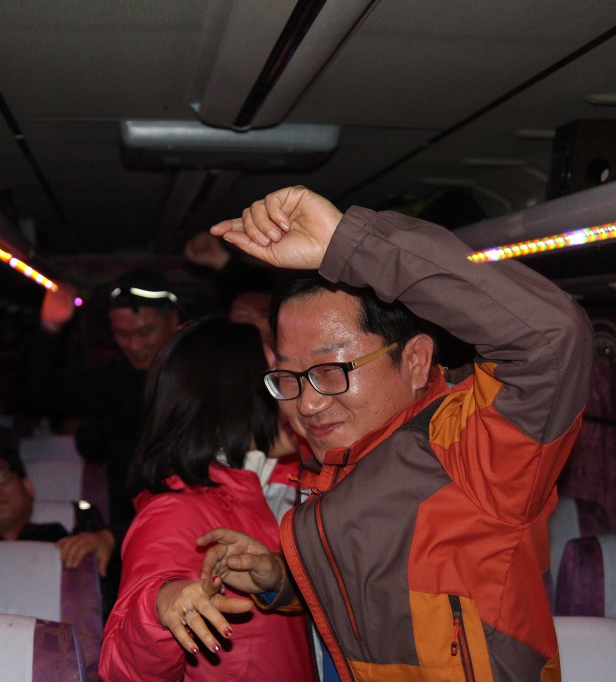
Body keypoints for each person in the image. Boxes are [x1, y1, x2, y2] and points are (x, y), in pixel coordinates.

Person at [193, 187, 593, 681]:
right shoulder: (336, 468)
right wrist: (283, 579)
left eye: (331, 370)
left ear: (417, 361)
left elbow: (551, 341)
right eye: (290, 378)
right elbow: (380, 598)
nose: (307, 404)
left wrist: (350, 244)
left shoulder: (470, 448)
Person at [99, 316, 314, 682]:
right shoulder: (177, 511)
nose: (295, 390)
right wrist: (162, 606)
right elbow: (121, 669)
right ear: (230, 397)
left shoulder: (284, 481)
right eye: (276, 375)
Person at [25, 267, 182, 615]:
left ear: (173, 321)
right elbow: (41, 392)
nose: (134, 345)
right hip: (126, 532)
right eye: (122, 334)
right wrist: (49, 329)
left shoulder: (197, 374)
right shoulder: (112, 379)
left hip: (189, 530)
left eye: (145, 332)